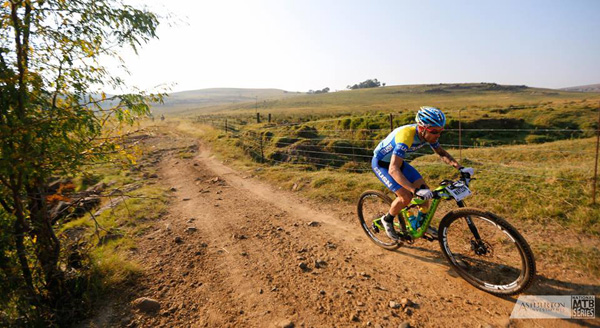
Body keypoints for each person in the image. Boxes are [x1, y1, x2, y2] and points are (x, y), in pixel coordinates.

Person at [372, 106, 474, 240]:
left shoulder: (428, 134)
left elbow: (442, 153)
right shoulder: (406, 136)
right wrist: (414, 190)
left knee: (426, 192)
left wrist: (460, 168)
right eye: (434, 131)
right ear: (421, 128)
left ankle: (420, 225)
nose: (437, 135)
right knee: (406, 197)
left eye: (440, 131)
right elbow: (393, 169)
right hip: (382, 164)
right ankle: (387, 219)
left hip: (398, 163)